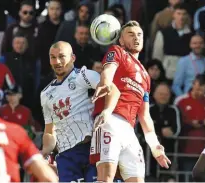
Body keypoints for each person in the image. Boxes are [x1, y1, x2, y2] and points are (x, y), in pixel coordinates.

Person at [90, 21, 171, 182]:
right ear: (120, 40)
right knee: (105, 178)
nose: (136, 37)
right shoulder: (117, 51)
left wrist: (155, 148)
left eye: (139, 34)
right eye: (131, 34)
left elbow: (145, 116)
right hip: (109, 121)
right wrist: (105, 83)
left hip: (129, 131)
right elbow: (108, 71)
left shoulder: (146, 77)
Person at [40, 41, 120, 182]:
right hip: (66, 156)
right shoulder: (46, 94)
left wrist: (106, 112)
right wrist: (44, 152)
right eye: (52, 57)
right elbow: (49, 131)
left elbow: (113, 90)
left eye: (62, 56)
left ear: (73, 58)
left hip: (92, 149)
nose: (57, 61)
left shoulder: (83, 76)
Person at [0, 69, 58, 182]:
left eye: (14, 95)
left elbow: (34, 128)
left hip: (18, 146)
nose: (11, 98)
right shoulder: (12, 126)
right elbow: (49, 178)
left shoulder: (25, 112)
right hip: (15, 143)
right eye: (9, 95)